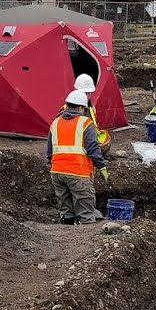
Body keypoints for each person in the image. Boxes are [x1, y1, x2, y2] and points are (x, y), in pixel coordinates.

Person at [46, 90, 108, 225]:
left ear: (67, 105)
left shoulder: (55, 123)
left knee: (66, 209)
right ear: (80, 108)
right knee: (85, 211)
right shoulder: (85, 123)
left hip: (57, 173)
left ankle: (65, 236)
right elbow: (93, 148)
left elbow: (50, 151)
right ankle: (85, 238)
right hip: (77, 173)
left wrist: (55, 164)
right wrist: (101, 166)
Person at [68, 74, 110, 154]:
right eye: (85, 93)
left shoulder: (91, 108)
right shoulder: (67, 109)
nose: (87, 96)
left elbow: (94, 127)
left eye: (89, 93)